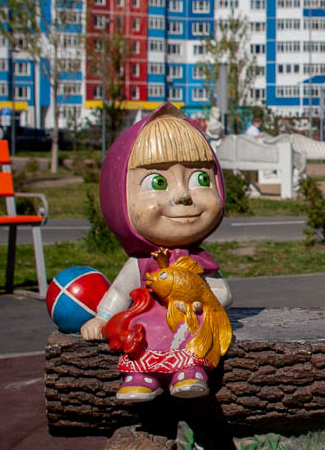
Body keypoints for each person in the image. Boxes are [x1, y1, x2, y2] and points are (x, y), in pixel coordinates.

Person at [79, 106, 233, 403]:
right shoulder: (140, 264)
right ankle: (139, 377)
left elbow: (223, 293)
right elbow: (118, 292)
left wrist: (204, 300)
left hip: (188, 324)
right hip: (144, 329)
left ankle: (190, 371)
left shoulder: (199, 262)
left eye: (201, 179)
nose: (183, 196)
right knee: (138, 344)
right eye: (158, 183)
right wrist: (104, 317)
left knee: (194, 343)